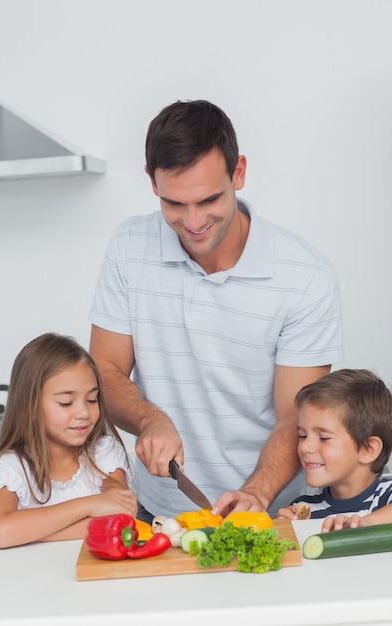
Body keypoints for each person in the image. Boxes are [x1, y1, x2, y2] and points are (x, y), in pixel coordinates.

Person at [88, 99, 343, 521]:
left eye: (209, 199)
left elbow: (294, 417)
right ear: (152, 182)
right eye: (174, 204)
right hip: (160, 511)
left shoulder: (305, 277)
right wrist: (150, 419)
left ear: (238, 172)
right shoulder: (129, 248)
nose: (192, 222)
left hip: (275, 511)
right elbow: (104, 369)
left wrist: (255, 495)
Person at [0, 333, 137, 550]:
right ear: (30, 408)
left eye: (91, 399)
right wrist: (90, 505)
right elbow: (2, 531)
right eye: (66, 402)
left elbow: (120, 522)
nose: (83, 412)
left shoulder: (103, 454)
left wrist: (26, 535)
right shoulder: (14, 466)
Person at [276, 369, 392, 529]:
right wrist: (284, 530)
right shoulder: (303, 508)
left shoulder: (385, 495)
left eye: (324, 438)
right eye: (302, 435)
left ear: (368, 449)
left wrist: (364, 524)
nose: (305, 446)